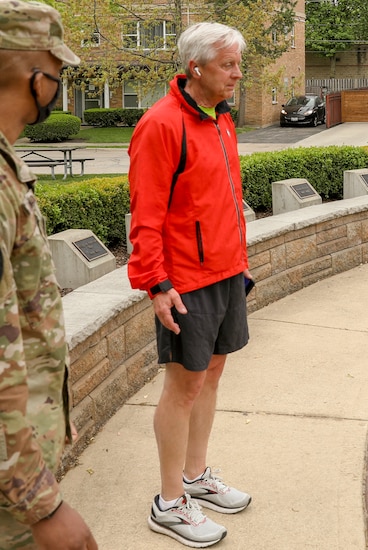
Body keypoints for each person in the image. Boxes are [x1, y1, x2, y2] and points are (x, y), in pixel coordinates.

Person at [127, 21, 252, 548]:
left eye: (238, 65)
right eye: (228, 65)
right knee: (183, 386)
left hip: (225, 272)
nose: (237, 75)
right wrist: (156, 284)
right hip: (184, 282)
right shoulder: (161, 124)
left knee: (212, 375)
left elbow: (221, 200)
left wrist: (240, 262)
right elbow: (145, 215)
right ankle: (169, 501)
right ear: (196, 66)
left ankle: (196, 478)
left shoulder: (221, 119)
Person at [0, 1, 98, 549]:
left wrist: (54, 417)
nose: (59, 80)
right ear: (27, 72)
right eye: (55, 67)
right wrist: (43, 506)